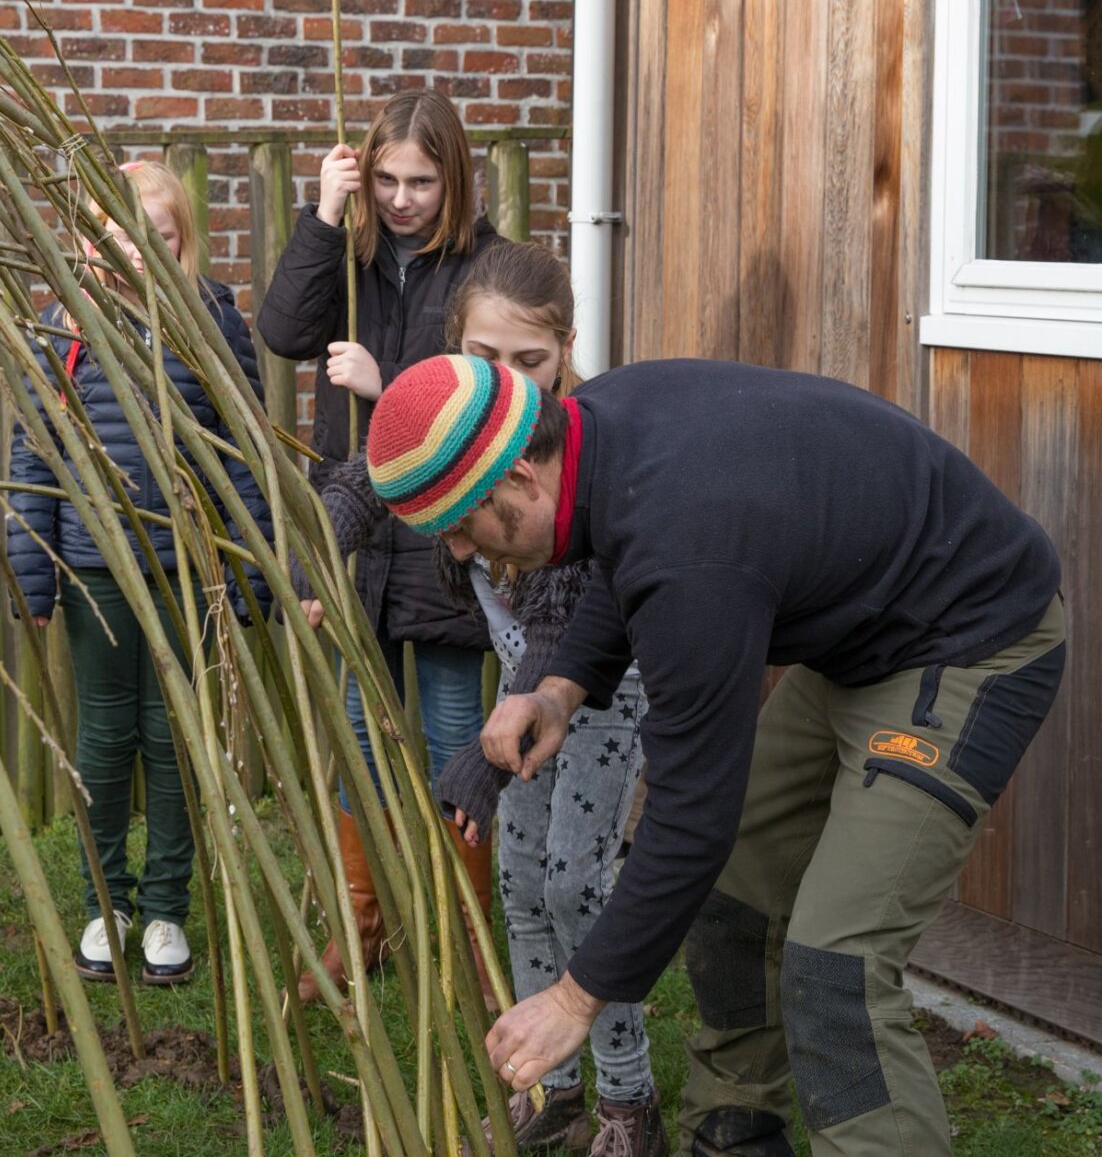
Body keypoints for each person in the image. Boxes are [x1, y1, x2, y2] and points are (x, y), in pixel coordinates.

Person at [365, 353, 1063, 1157]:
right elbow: (627, 561)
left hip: (972, 639)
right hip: (864, 639)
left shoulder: (690, 550)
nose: (460, 551)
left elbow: (693, 816)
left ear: (520, 474)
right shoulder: (597, 430)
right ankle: (736, 1132)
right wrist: (558, 689)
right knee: (737, 892)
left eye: (462, 524)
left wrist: (574, 997)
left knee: (836, 964)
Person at [297, 244, 663, 1155]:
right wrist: (316, 546)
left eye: (529, 361)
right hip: (519, 695)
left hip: (596, 688)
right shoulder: (455, 418)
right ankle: (553, 1086)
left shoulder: (564, 449)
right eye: (485, 357)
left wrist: (485, 765)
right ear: (454, 347)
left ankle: (628, 1099)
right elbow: (370, 477)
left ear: (565, 351)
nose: (507, 382)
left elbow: (559, 628)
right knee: (521, 878)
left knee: (576, 884)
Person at [256, 88, 505, 1002]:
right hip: (355, 533)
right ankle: (364, 921)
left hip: (444, 531)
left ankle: (469, 935)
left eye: (422, 183)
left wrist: (385, 381)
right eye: (388, 180)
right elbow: (283, 332)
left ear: (455, 180)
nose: (403, 200)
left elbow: (487, 394)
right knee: (359, 734)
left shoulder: (486, 267)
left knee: (452, 736)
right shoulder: (349, 254)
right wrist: (325, 215)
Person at [7, 160, 272, 987]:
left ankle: (165, 907)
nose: (132, 252)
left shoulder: (210, 323)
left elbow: (246, 452)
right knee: (105, 735)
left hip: (186, 568)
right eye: (112, 236)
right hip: (96, 568)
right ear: (84, 244)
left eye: (153, 236)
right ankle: (105, 902)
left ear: (180, 239)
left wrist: (255, 565)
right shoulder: (60, 329)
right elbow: (34, 457)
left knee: (173, 735)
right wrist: (34, 569)